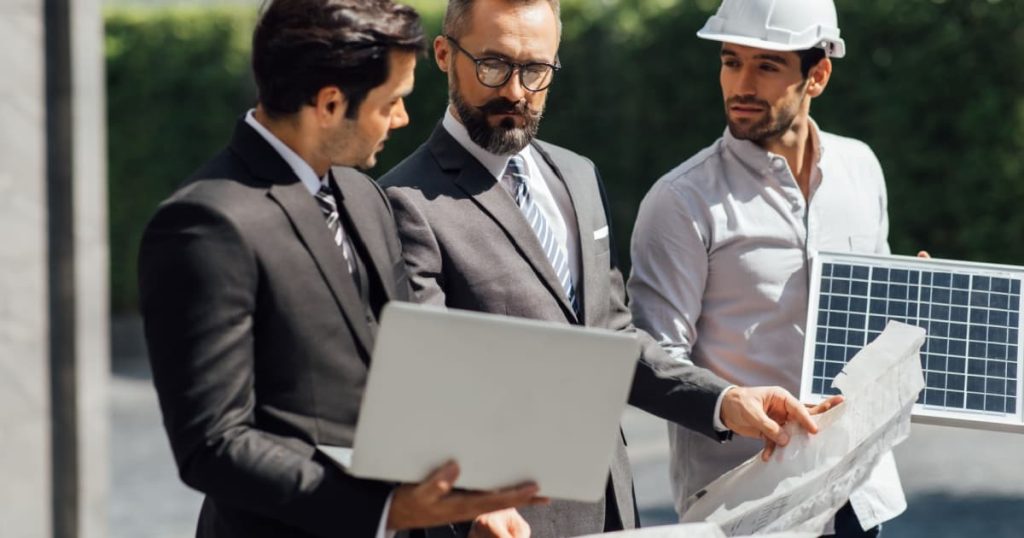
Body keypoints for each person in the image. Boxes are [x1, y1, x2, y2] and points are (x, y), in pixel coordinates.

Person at [379, 0, 831, 536]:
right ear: (444, 55)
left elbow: (612, 339)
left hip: (610, 509)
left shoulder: (578, 177)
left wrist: (725, 401)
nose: (517, 92)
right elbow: (421, 385)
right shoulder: (402, 201)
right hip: (497, 523)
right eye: (493, 65)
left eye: (536, 71)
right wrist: (468, 504)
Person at [137, 1, 544, 536]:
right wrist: (382, 511)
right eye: (391, 102)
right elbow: (214, 445)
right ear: (330, 103)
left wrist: (471, 495)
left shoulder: (362, 194)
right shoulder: (205, 224)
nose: (402, 118)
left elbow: (413, 365)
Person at [627, 0, 903, 536]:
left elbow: (878, 319)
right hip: (747, 508)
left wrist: (920, 298)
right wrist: (728, 405)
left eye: (767, 66)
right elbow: (653, 357)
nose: (741, 85)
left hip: (861, 495)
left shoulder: (861, 169)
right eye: (731, 62)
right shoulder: (682, 201)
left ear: (817, 75)